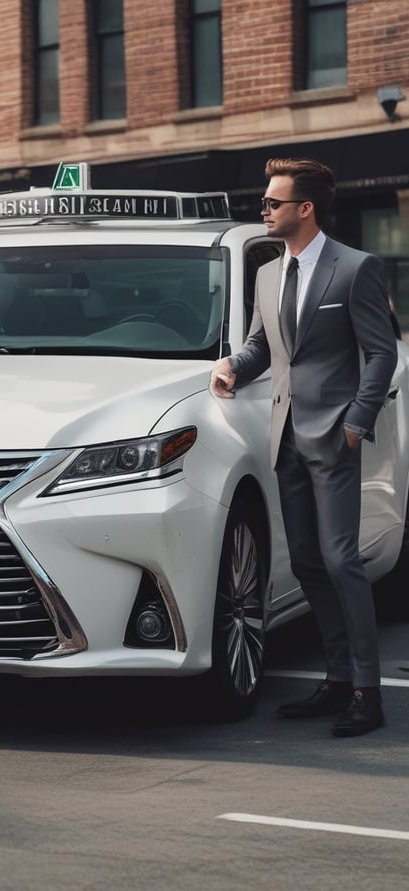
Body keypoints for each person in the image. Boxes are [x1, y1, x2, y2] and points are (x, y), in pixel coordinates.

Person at [210, 158, 397, 737]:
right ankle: (337, 680)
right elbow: (262, 348)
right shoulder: (269, 274)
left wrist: (356, 422)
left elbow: (381, 353)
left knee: (342, 560)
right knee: (311, 562)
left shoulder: (355, 268)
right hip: (284, 437)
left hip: (335, 435)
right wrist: (232, 367)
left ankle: (368, 692)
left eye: (272, 203)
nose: (263, 210)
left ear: (305, 208)